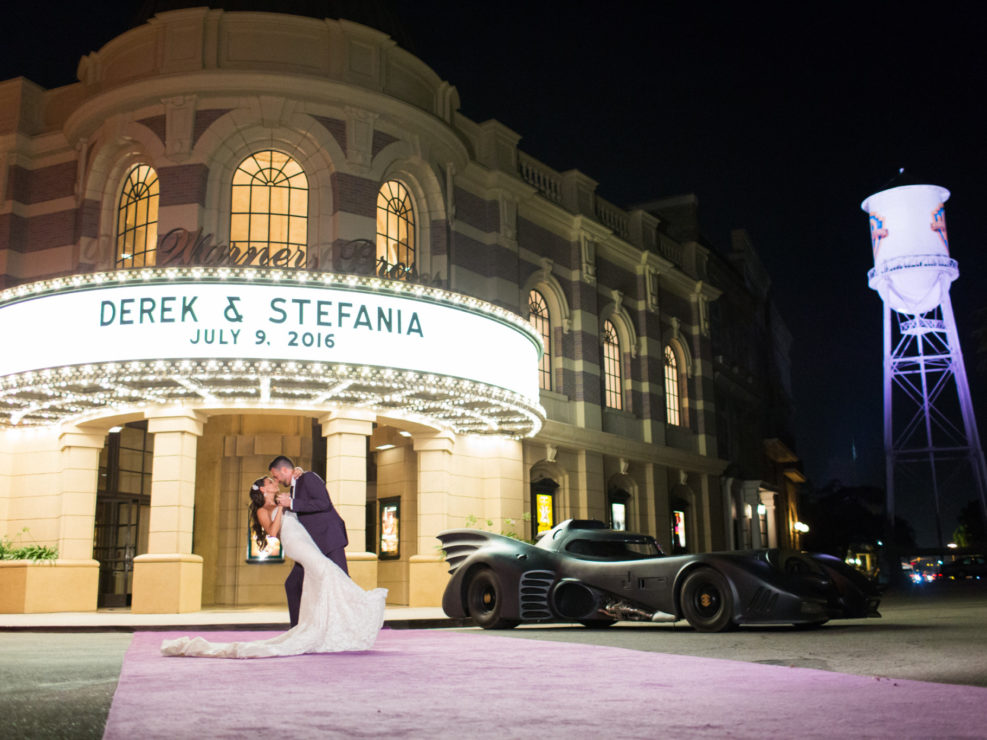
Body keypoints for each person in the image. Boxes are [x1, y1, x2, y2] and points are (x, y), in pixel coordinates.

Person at [161, 476, 387, 658]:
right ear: (262, 489)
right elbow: (271, 531)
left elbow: (306, 507)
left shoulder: (285, 498)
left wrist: (291, 495)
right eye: (269, 482)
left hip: (305, 540)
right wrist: (280, 507)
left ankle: (324, 623)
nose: (273, 483)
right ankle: (349, 610)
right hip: (295, 544)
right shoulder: (262, 509)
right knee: (325, 572)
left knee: (322, 576)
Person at [268, 455, 350, 627]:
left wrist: (293, 503)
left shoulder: (308, 478)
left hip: (329, 538)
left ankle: (351, 626)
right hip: (312, 547)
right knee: (293, 584)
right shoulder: (294, 488)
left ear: (284, 470)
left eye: (276, 476)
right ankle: (298, 630)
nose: (276, 480)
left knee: (342, 584)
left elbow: (323, 503)